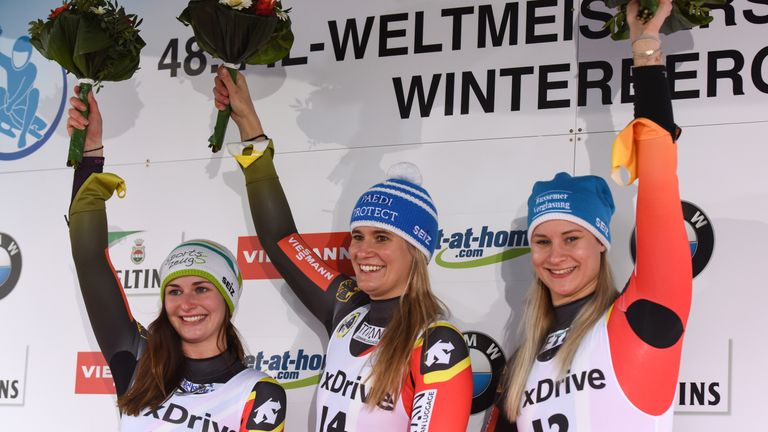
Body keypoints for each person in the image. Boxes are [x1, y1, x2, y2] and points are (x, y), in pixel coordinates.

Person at [212, 67, 473, 430]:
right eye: (358, 236)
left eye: (382, 237)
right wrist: (250, 128)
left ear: (416, 250)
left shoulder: (434, 342)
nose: (363, 251)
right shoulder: (347, 308)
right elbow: (282, 240)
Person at [485, 0, 691, 430]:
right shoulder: (525, 358)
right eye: (542, 241)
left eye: (572, 238)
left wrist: (646, 50)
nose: (555, 255)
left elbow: (657, 178)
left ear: (601, 241)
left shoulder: (641, 318)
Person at [66, 89, 287, 430]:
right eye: (174, 291)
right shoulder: (139, 360)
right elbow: (89, 260)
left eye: (201, 288)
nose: (186, 303)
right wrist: (90, 151)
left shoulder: (258, 394)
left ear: (227, 298)